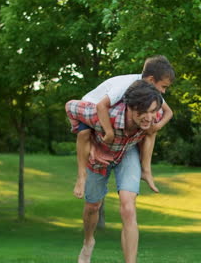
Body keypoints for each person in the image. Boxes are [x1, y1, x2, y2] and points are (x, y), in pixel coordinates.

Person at [65, 80, 164, 263]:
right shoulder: (105, 115)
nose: (149, 118)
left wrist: (146, 168)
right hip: (99, 156)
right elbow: (70, 106)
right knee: (92, 206)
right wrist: (83, 132)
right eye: (143, 112)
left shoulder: (153, 117)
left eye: (153, 111)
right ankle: (88, 242)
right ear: (130, 108)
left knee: (128, 208)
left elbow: (151, 133)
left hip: (127, 153)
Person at [72, 55, 175, 199]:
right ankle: (82, 176)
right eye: (163, 87)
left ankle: (146, 170)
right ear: (152, 80)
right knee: (84, 134)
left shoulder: (150, 92)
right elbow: (101, 105)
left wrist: (156, 127)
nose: (163, 91)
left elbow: (169, 112)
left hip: (108, 115)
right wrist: (109, 133)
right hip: (91, 108)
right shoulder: (127, 84)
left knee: (150, 129)